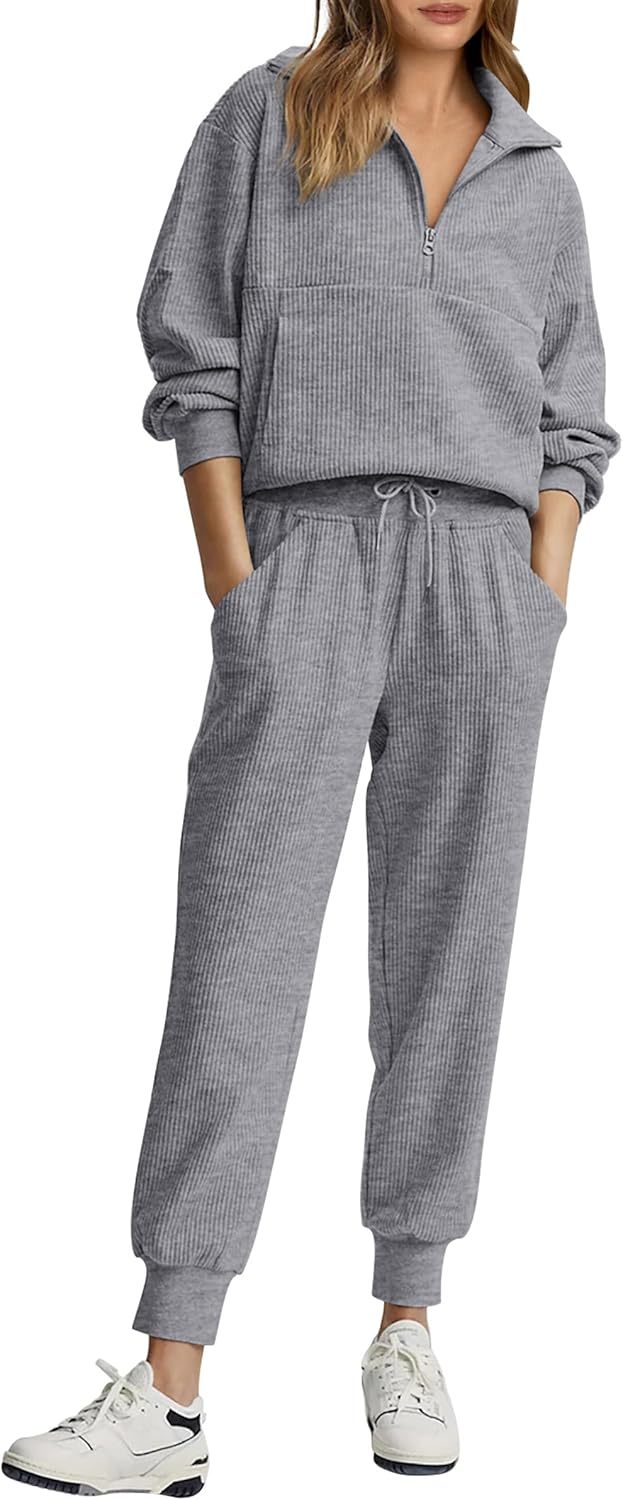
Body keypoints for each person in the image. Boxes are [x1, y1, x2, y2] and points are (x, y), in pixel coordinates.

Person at [3, 0, 619, 1487]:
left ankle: (409, 1322)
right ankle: (171, 1382)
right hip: (309, 556)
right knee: (242, 949)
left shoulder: (538, 171)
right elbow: (192, 343)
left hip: (485, 584)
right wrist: (241, 584)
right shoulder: (266, 115)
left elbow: (574, 416)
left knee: (450, 957)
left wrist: (538, 595)